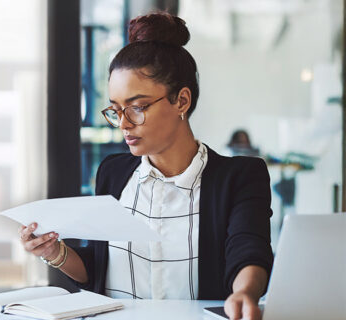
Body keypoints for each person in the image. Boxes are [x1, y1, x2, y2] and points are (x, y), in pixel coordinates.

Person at [18, 12, 273, 320]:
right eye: (116, 110)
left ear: (181, 101)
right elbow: (99, 269)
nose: (123, 124)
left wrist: (244, 293)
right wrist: (52, 252)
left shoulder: (238, 177)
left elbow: (249, 251)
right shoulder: (113, 173)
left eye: (137, 107)